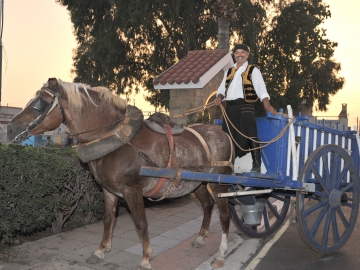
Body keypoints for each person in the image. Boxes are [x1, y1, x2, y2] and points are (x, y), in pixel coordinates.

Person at [214, 44, 277, 173]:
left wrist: (267, 106)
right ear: (235, 55)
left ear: (247, 55)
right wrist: (219, 97)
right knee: (227, 137)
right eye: (237, 52)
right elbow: (221, 89)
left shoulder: (253, 70)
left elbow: (262, 91)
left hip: (245, 106)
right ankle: (228, 166)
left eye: (243, 52)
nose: (240, 54)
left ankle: (256, 165)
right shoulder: (229, 71)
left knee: (250, 133)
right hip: (229, 109)